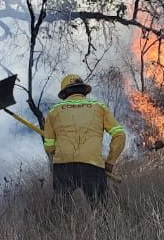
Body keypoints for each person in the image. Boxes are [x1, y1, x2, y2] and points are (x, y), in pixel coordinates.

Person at [42, 74, 126, 205]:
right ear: (84, 91)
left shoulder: (54, 111)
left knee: (60, 208)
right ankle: (102, 225)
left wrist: (55, 151)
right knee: (100, 209)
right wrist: (110, 162)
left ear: (64, 94)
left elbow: (49, 146)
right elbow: (120, 135)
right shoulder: (99, 107)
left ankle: (59, 225)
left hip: (63, 166)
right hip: (92, 165)